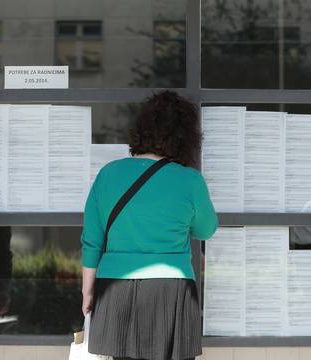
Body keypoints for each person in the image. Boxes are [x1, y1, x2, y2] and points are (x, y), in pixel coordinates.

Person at [81, 91, 218, 360]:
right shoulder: (189, 180)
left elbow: (92, 240)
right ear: (186, 137)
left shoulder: (109, 173)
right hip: (171, 288)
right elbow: (206, 230)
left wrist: (88, 291)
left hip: (114, 287)